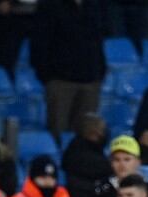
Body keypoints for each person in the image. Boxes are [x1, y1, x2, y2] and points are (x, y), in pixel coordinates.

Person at [31, 0, 105, 136]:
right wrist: (48, 77)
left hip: (90, 80)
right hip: (60, 81)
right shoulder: (50, 5)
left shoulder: (93, 5)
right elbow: (38, 43)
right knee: (57, 131)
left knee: (87, 134)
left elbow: (98, 40)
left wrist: (99, 72)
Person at [62, 113, 113, 197]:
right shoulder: (79, 154)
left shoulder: (93, 150)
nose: (104, 133)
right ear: (93, 133)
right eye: (102, 129)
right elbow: (107, 169)